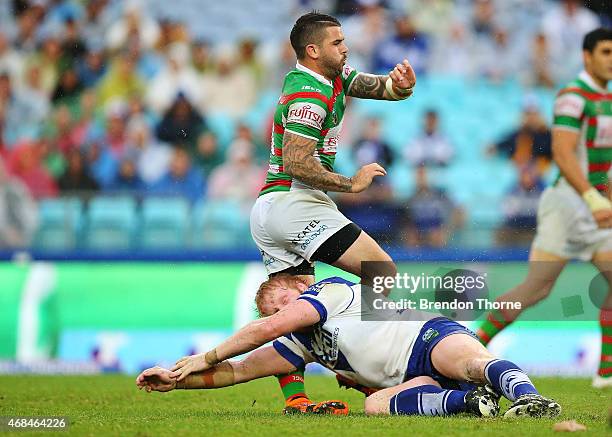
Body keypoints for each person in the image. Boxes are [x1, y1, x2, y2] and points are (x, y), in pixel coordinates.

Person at [249, 11, 415, 413]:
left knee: (293, 310)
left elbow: (372, 85)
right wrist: (351, 184)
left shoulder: (332, 75)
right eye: (338, 43)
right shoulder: (309, 93)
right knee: (381, 272)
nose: (345, 47)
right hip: (295, 201)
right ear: (313, 50)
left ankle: (298, 400)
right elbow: (296, 162)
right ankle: (364, 366)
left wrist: (399, 87)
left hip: (271, 208)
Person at [136, 275, 561, 419]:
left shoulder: (330, 289)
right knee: (375, 407)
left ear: (302, 287)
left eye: (281, 302)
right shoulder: (298, 341)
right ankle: (472, 405)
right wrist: (176, 381)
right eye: (271, 311)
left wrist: (206, 354)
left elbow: (273, 328)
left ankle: (531, 399)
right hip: (407, 379)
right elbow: (240, 372)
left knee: (470, 361)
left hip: (423, 337)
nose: (278, 314)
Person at [475, 28, 612, 389]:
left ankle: (606, 373)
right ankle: (473, 348)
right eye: (605, 52)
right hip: (568, 206)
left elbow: (600, 160)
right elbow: (563, 154)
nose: (611, 59)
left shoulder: (607, 100)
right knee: (537, 289)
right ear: (587, 57)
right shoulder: (573, 97)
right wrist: (593, 197)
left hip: (598, 206)